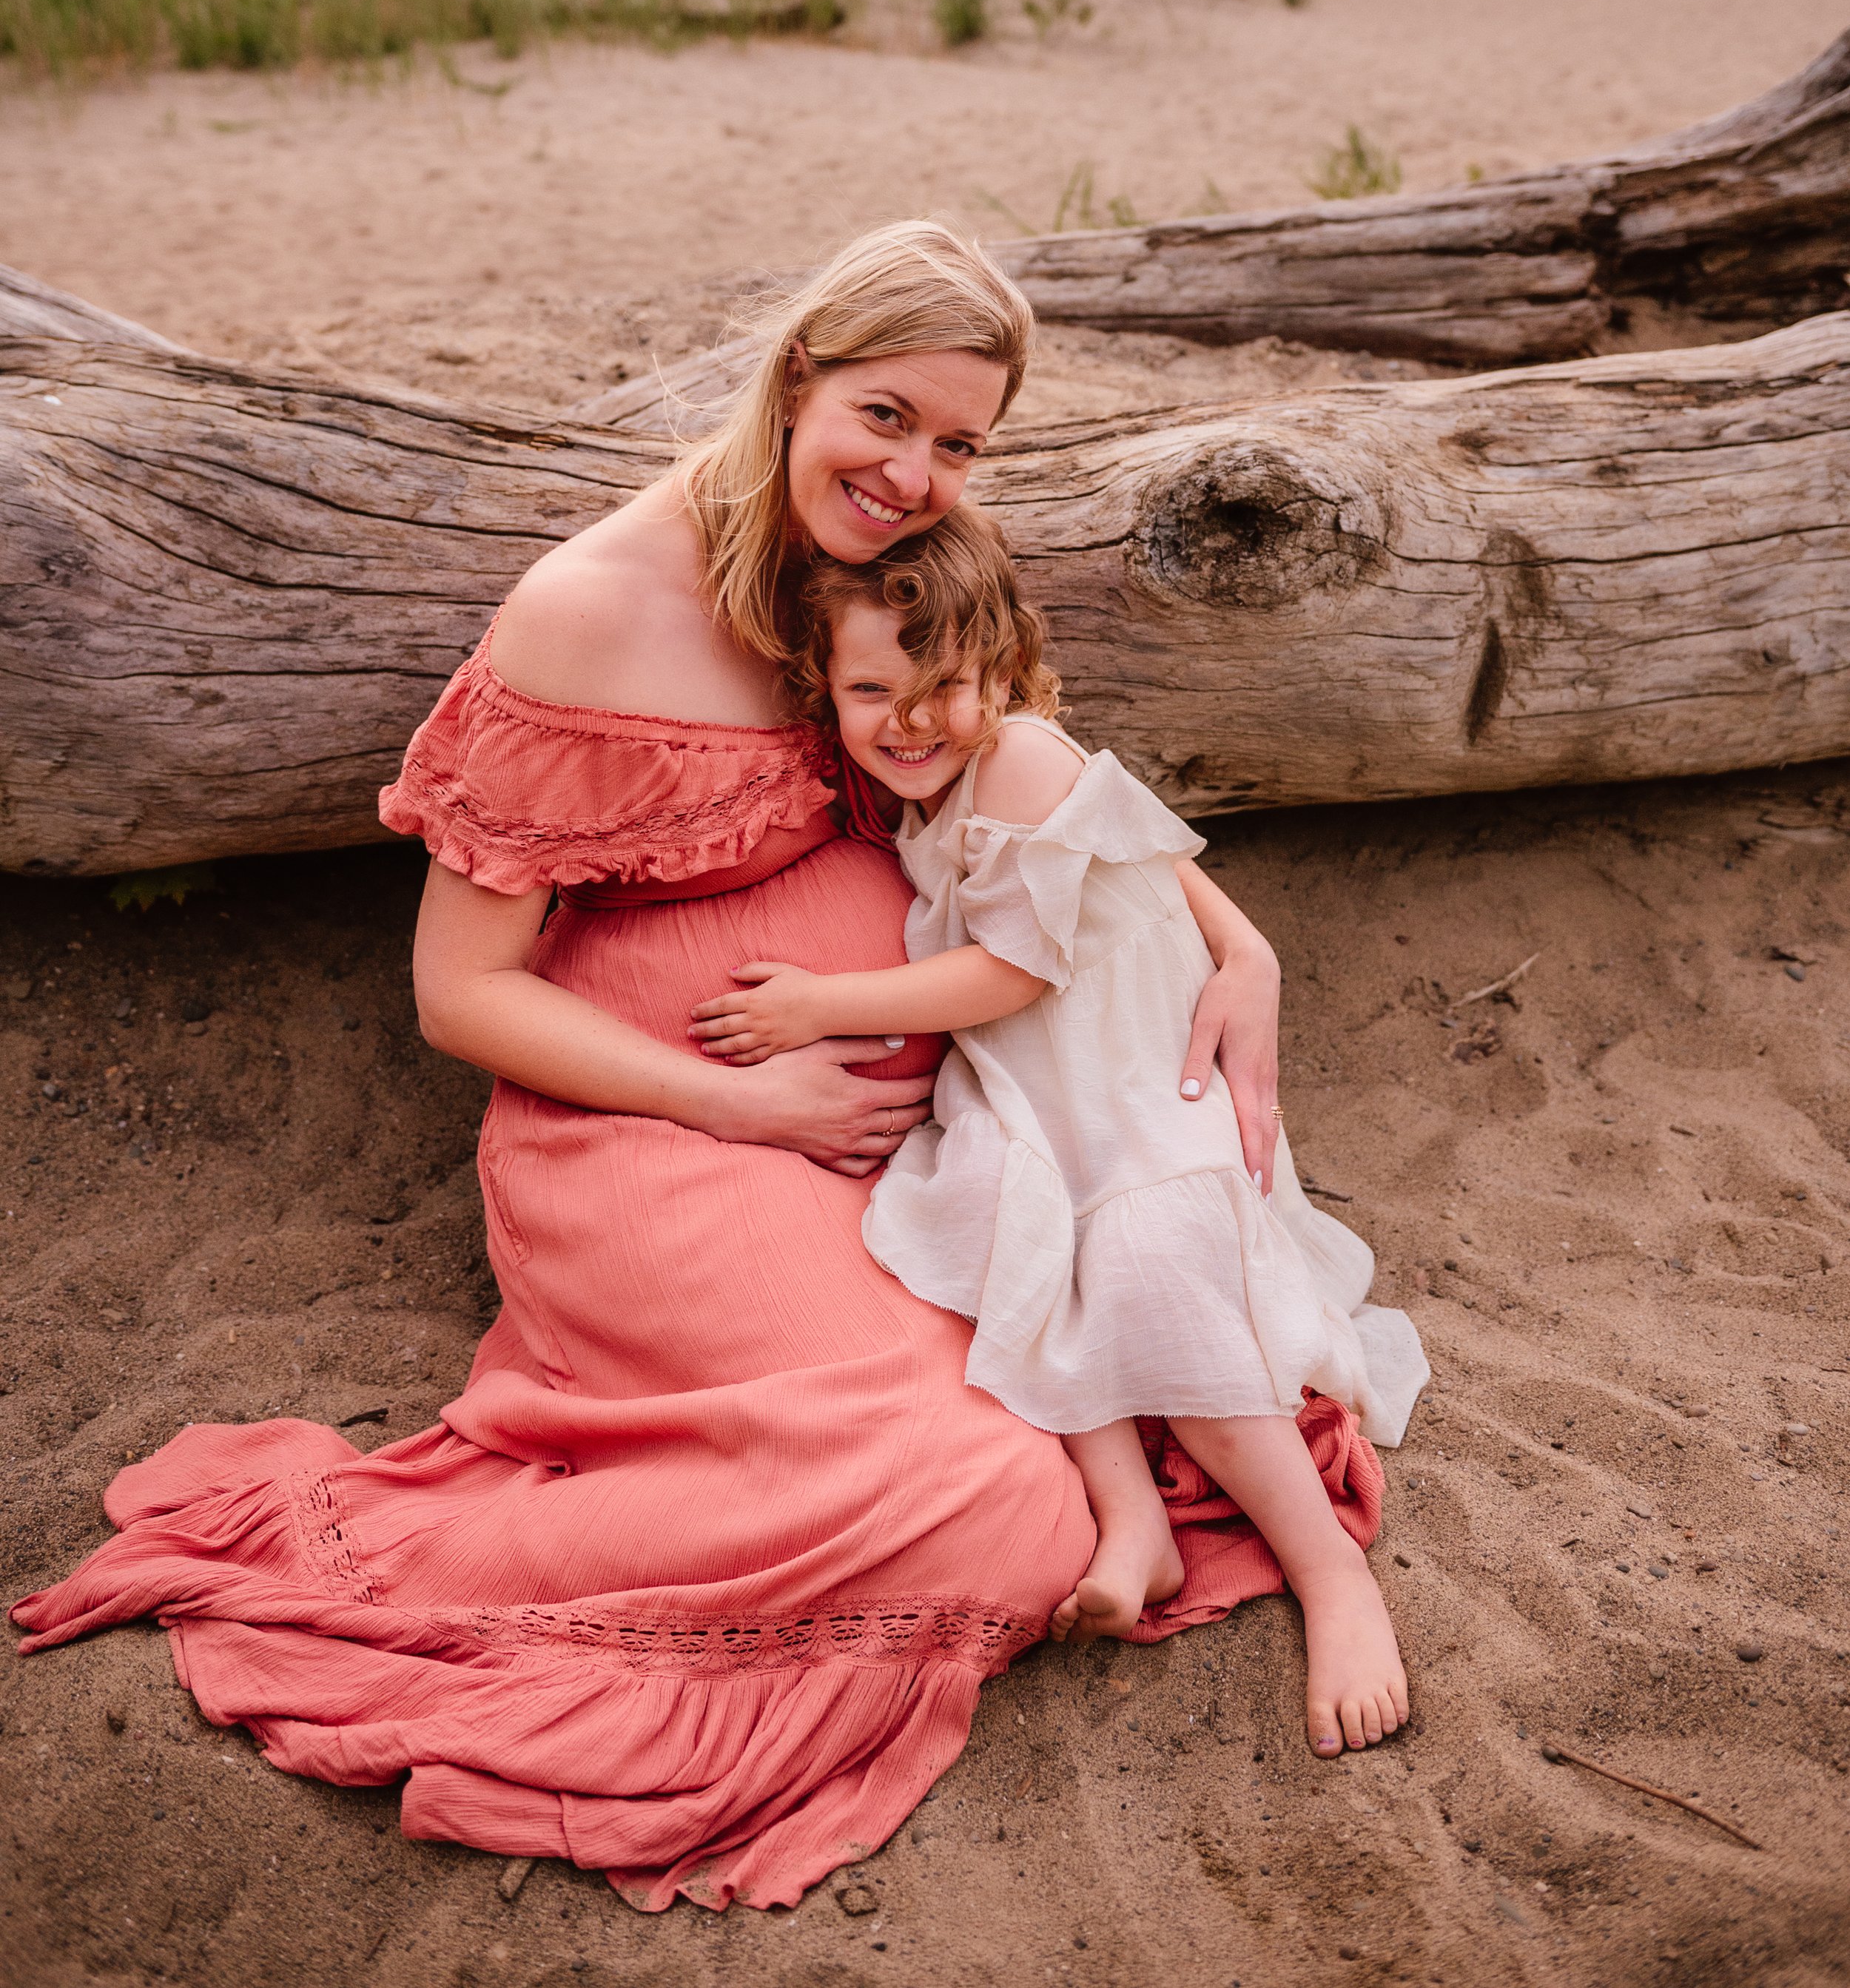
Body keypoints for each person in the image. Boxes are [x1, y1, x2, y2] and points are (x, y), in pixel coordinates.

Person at [12, 221, 1317, 1914]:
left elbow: (1034, 758)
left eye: (958, 441)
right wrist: (743, 1097)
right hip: (649, 1118)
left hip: (895, 1126)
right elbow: (456, 991)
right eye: (883, 415)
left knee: (1106, 1396)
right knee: (991, 1501)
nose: (915, 470)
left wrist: (1240, 941)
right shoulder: (588, 612)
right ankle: (418, 1584)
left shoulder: (885, 563)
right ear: (795, 381)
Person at [690, 505, 1430, 1756]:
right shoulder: (917, 785)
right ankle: (1129, 1516)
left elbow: (1016, 970)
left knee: (1148, 1272)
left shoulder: (1023, 756)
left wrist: (823, 1003)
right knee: (1002, 1234)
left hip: (1137, 1079)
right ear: (827, 683)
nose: (909, 720)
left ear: (1003, 674)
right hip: (1040, 1090)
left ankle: (1331, 1571)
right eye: (873, 689)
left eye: (945, 687)